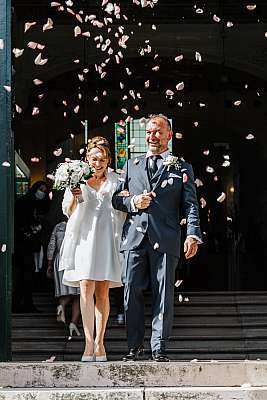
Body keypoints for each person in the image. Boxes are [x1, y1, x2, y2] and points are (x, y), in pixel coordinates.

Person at [112, 114, 202, 362]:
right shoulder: (132, 164)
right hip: (134, 239)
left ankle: (159, 347)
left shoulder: (182, 167)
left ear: (169, 135)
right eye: (149, 132)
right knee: (131, 291)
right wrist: (133, 201)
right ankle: (134, 346)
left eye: (158, 131)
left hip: (166, 237)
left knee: (164, 294)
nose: (152, 136)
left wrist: (192, 234)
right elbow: (116, 199)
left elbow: (191, 205)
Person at [59, 136, 126, 361]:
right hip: (84, 238)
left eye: (103, 159)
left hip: (107, 237)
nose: (98, 163)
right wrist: (76, 197)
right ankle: (88, 344)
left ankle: (100, 343)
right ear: (87, 158)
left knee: (102, 291)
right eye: (94, 158)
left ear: (108, 160)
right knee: (85, 286)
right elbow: (67, 211)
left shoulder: (117, 180)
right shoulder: (76, 178)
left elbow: (123, 209)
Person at [13, 180, 50, 313]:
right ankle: (22, 303)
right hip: (22, 244)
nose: (42, 193)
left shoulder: (31, 203)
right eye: (41, 189)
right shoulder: (25, 203)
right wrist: (31, 230)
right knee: (26, 272)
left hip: (26, 244)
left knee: (26, 273)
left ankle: (22, 302)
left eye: (44, 191)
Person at [46, 219, 81, 338]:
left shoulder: (58, 226)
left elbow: (51, 246)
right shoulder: (81, 223)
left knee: (65, 291)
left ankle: (61, 306)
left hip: (59, 260)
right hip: (76, 261)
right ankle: (73, 323)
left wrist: (50, 265)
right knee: (79, 295)